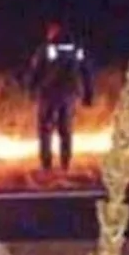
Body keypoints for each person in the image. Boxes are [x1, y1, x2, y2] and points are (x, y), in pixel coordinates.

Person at [23, 21, 94, 172]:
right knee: (65, 129)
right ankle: (65, 164)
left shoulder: (46, 48)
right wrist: (88, 94)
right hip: (69, 95)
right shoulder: (76, 49)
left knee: (45, 130)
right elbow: (86, 71)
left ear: (53, 32)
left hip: (48, 94)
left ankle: (46, 164)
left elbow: (35, 71)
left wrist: (30, 90)